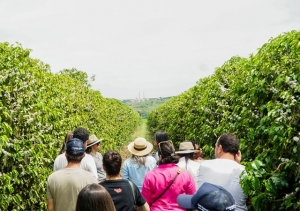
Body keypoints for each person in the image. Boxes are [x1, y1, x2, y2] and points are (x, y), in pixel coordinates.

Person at [142, 140, 196, 211]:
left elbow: (145, 202)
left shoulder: (151, 175)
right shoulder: (185, 174)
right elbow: (192, 199)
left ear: (160, 156)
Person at [198, 133, 247, 211]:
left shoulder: (204, 165)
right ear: (237, 153)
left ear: (220, 148)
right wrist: (238, 164)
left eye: (215, 146)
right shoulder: (244, 171)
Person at [47, 138, 98, 211]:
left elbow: (50, 208)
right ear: (83, 155)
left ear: (65, 154)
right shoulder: (92, 179)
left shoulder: (52, 178)